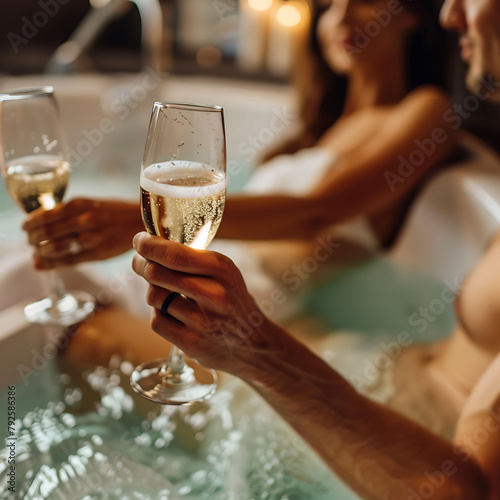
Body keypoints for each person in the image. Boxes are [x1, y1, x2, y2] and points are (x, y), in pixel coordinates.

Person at [125, 1, 500, 496]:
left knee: (75, 338)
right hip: (377, 369)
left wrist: (254, 347)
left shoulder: (424, 111)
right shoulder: (320, 125)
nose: (450, 11)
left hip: (400, 422)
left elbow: (466, 489)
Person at [23, 0, 455, 271]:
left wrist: (134, 221)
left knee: (22, 281)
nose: (340, 17)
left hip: (240, 301)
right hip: (193, 274)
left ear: (411, 13)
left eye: (362, 1)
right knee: (20, 272)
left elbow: (317, 213)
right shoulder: (325, 127)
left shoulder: (428, 109)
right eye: (327, 5)